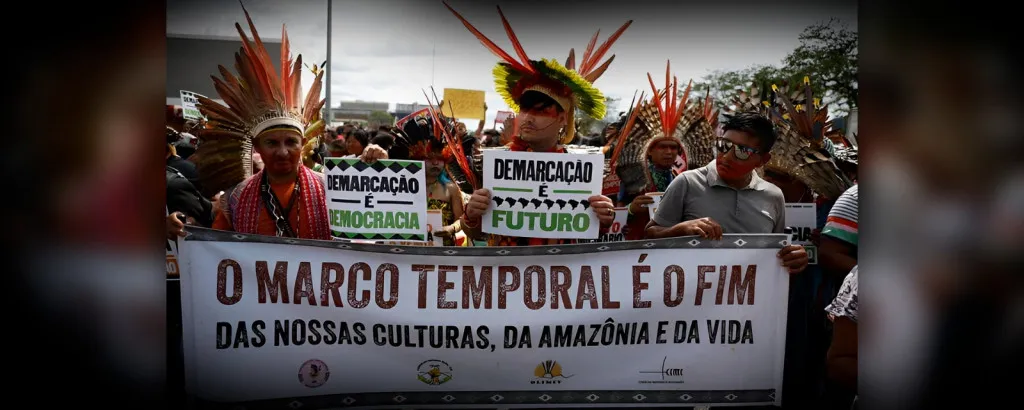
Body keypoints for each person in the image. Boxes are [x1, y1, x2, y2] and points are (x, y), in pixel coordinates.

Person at [191, 5, 385, 240]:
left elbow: (374, 229)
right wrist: (177, 231)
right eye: (272, 143)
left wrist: (379, 169)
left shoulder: (333, 189)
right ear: (257, 146)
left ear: (303, 143)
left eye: (290, 142)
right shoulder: (235, 198)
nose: (282, 151)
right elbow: (214, 251)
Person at [445, 2, 631, 245]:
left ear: (563, 118)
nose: (528, 118)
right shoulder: (496, 162)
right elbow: (478, 233)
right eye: (524, 109)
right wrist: (472, 214)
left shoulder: (586, 168)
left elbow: (598, 235)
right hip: (508, 274)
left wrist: (605, 217)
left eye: (541, 111)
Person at [645, 111, 809, 273]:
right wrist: (681, 229)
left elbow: (776, 252)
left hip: (748, 297)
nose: (727, 156)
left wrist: (794, 257)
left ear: (762, 160)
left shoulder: (773, 196)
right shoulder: (687, 182)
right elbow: (649, 236)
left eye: (742, 151)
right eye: (724, 145)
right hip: (692, 295)